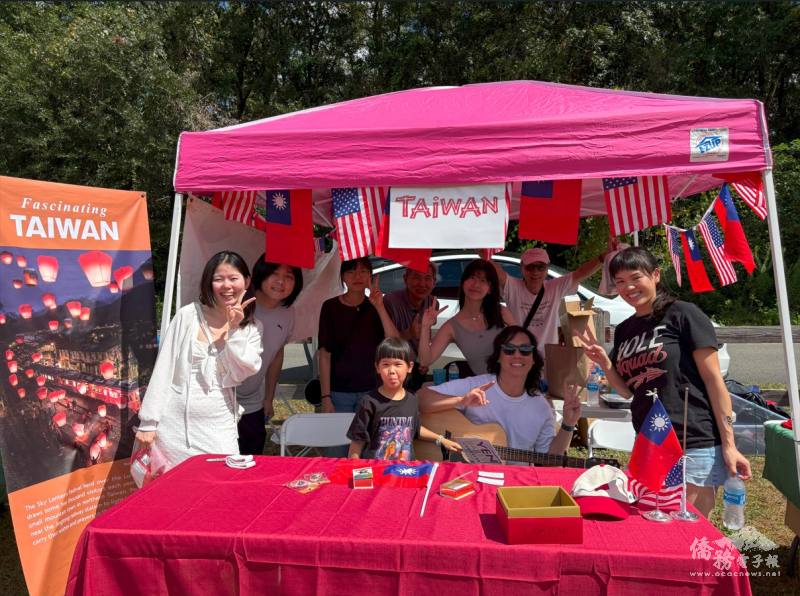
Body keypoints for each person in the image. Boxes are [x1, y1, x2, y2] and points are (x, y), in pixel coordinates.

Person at [575, 247, 752, 518]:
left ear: (655, 275)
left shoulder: (683, 314)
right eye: (620, 281)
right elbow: (627, 391)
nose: (628, 287)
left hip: (691, 441)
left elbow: (714, 380)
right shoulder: (625, 330)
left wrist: (729, 445)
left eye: (636, 277)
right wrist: (605, 363)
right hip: (650, 442)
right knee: (654, 525)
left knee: (688, 529)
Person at [135, 251, 262, 471]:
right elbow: (164, 368)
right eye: (218, 279)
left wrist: (234, 329)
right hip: (174, 428)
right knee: (177, 486)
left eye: (233, 278)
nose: (227, 285)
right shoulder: (188, 315)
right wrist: (148, 421)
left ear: (247, 281)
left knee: (221, 483)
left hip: (220, 426)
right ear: (209, 283)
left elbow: (243, 371)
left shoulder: (251, 327)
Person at [419, 325, 581, 455]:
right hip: (469, 474)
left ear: (533, 359)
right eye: (509, 349)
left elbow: (551, 458)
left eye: (525, 350)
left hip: (516, 480)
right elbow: (420, 398)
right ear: (498, 356)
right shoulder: (477, 386)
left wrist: (568, 424)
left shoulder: (542, 408)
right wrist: (460, 401)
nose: (517, 355)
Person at [486, 241, 617, 356]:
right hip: (520, 355)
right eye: (530, 267)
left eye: (540, 267)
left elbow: (581, 273)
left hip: (548, 358)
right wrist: (484, 254)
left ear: (547, 268)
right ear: (522, 267)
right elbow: (496, 271)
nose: (535, 272)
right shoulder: (513, 287)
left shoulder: (554, 287)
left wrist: (603, 257)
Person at [347, 338, 461, 460]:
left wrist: (441, 439)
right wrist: (354, 468)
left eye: (398, 364)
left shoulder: (412, 399)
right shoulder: (369, 402)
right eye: (385, 365)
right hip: (377, 469)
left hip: (406, 469)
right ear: (377, 367)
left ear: (409, 367)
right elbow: (357, 443)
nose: (392, 371)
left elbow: (416, 429)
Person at [236, 256, 303, 456]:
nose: (281, 281)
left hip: (253, 400)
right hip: (223, 398)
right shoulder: (240, 304)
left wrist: (269, 398)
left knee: (251, 456)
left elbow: (276, 354)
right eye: (274, 273)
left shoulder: (288, 313)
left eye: (288, 276)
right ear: (261, 273)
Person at [318, 257, 400, 415]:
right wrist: (326, 396)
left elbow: (395, 342)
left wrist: (379, 306)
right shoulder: (330, 307)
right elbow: (324, 355)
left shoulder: (378, 305)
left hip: (372, 388)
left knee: (369, 431)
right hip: (339, 391)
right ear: (342, 276)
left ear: (370, 276)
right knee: (341, 431)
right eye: (351, 272)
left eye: (363, 271)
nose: (357, 276)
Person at [418, 259, 515, 376]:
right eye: (472, 278)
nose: (476, 284)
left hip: (513, 380)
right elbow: (425, 361)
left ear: (490, 288)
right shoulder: (452, 326)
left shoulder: (501, 312)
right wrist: (425, 326)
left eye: (483, 280)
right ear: (463, 282)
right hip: (483, 384)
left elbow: (524, 343)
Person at [383, 262, 438, 390]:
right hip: (392, 370)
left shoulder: (433, 303)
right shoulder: (390, 302)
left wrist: (423, 361)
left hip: (416, 368)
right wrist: (409, 333)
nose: (422, 284)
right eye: (416, 277)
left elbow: (424, 338)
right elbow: (385, 343)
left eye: (427, 278)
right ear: (405, 279)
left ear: (434, 282)